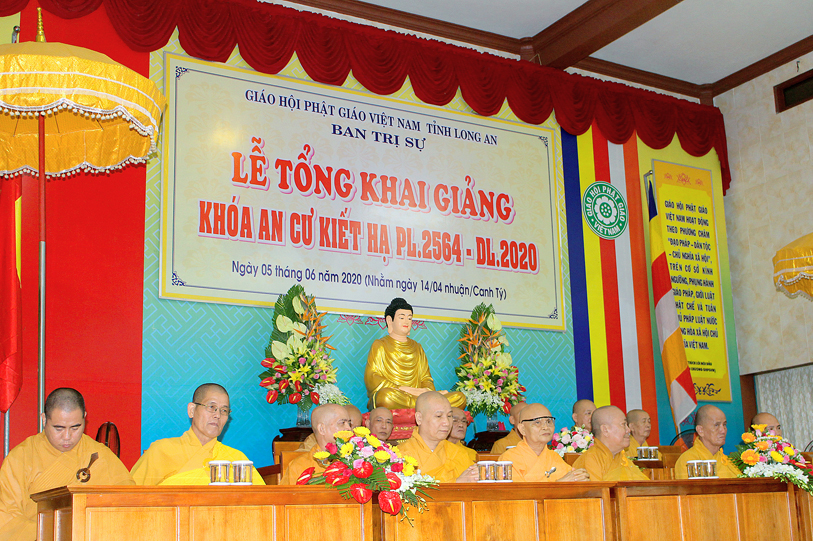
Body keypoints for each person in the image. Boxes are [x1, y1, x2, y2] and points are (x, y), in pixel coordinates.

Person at [0, 388, 134, 540]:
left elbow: (128, 506)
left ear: (85, 418)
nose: (67, 437)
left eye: (75, 427)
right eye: (59, 428)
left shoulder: (100, 456)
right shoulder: (21, 457)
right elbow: (6, 517)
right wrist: (55, 532)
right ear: (44, 419)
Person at [131, 383, 264, 485]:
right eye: (211, 407)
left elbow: (262, 502)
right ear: (192, 410)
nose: (217, 415)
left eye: (224, 410)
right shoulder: (161, 451)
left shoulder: (237, 460)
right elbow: (131, 498)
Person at [364, 298, 466, 409]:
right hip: (397, 396)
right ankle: (424, 405)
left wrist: (426, 391)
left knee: (460, 397)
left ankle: (423, 404)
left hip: (419, 397)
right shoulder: (380, 345)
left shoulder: (417, 347)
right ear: (389, 320)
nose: (406, 322)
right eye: (401, 318)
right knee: (385, 397)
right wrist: (406, 389)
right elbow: (372, 378)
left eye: (409, 318)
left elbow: (426, 379)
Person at [396, 392, 478, 482]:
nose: (446, 423)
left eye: (449, 416)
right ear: (419, 418)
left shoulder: (459, 453)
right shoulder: (400, 454)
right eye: (439, 416)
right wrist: (456, 482)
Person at [499, 403, 590, 482]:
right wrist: (558, 485)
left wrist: (580, 477)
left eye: (549, 421)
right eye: (537, 422)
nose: (546, 427)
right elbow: (516, 493)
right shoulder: (509, 459)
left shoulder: (554, 457)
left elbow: (571, 479)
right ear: (522, 429)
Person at [573, 405, 649, 481]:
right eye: (623, 424)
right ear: (605, 430)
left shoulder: (622, 459)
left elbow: (644, 485)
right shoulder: (591, 459)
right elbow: (595, 488)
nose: (628, 430)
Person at [280, 404, 351, 484]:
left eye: (349, 423)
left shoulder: (354, 461)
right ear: (322, 429)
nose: (349, 428)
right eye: (342, 423)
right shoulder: (299, 466)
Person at [675, 405, 740, 479]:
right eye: (716, 425)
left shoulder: (727, 461)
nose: (723, 431)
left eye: (724, 425)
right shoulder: (688, 461)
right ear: (700, 430)